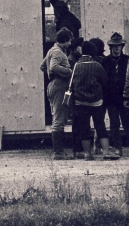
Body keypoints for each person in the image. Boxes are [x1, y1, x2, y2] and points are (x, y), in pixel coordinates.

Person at [71, 40, 118, 160]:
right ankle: (106, 152)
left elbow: (72, 83)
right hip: (96, 102)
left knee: (84, 128)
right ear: (93, 52)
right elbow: (105, 81)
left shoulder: (76, 65)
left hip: (80, 102)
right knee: (100, 126)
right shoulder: (97, 65)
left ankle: (87, 154)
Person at [40, 28, 74, 160]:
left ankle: (59, 151)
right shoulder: (59, 53)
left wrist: (51, 74)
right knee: (59, 119)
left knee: (57, 117)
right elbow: (53, 67)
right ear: (65, 40)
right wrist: (68, 72)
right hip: (60, 85)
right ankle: (58, 152)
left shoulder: (52, 51)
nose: (70, 43)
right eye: (69, 40)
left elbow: (43, 66)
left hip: (53, 85)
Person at [102, 32, 129, 157]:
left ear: (122, 47)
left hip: (124, 98)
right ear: (110, 47)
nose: (117, 48)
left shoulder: (128, 60)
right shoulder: (104, 61)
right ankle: (118, 148)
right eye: (114, 46)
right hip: (111, 98)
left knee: (128, 123)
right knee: (114, 124)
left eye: (119, 46)